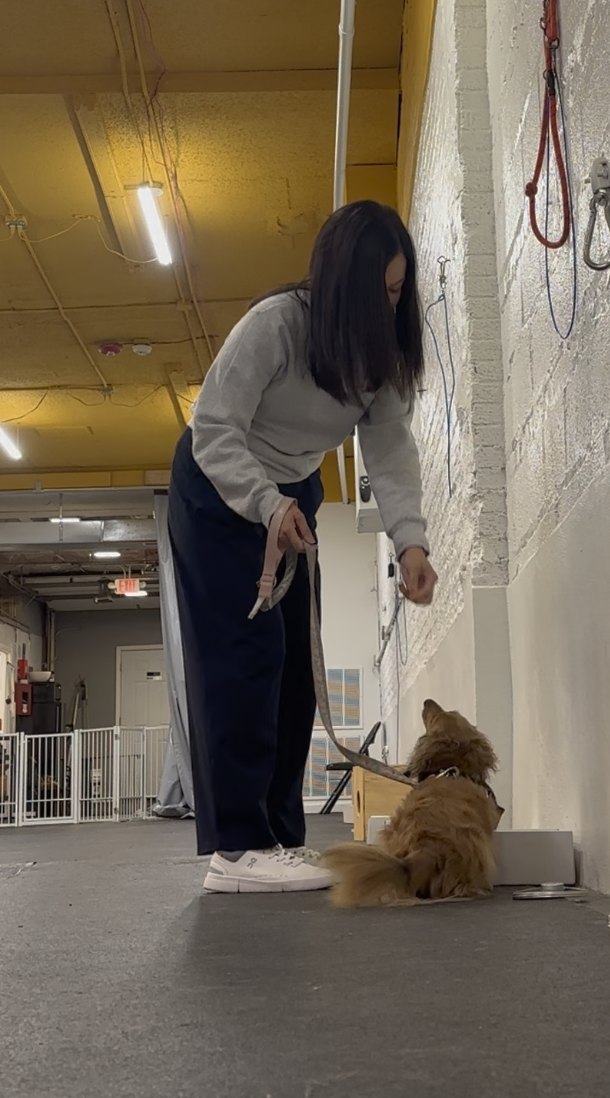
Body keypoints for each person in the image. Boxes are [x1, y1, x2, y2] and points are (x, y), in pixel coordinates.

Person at [168, 200, 437, 893]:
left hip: (293, 492)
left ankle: (278, 837)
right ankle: (235, 850)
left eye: (399, 290)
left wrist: (411, 543)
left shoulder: (379, 356)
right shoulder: (276, 327)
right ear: (337, 287)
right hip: (220, 488)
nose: (390, 304)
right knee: (244, 659)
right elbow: (214, 428)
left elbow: (389, 446)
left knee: (293, 673)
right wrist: (266, 504)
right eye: (378, 291)